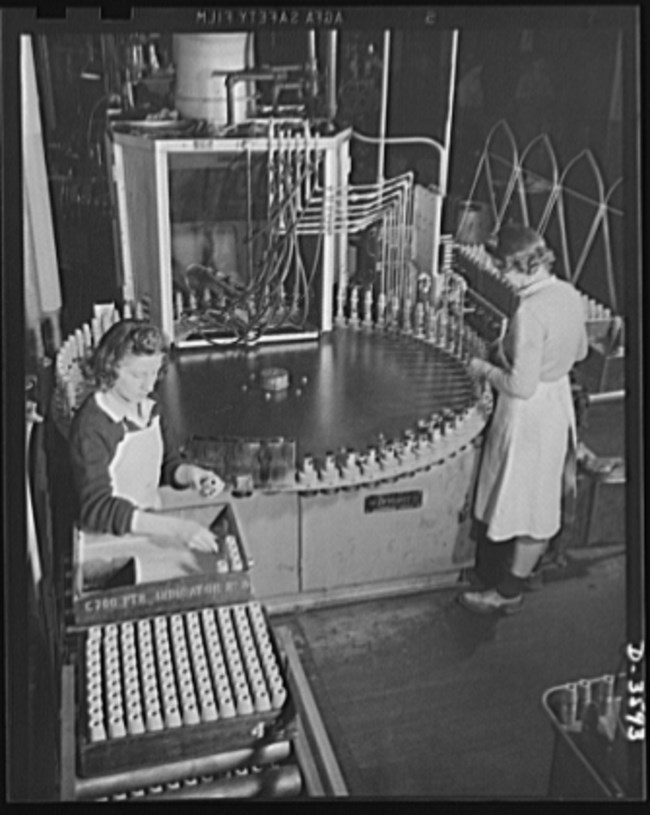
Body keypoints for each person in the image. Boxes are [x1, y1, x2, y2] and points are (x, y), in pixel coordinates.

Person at [459, 224, 589, 614]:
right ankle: (515, 579)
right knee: (540, 500)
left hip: (529, 414)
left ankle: (505, 593)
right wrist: (528, 356)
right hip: (557, 401)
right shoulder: (568, 293)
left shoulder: (531, 311)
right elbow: (580, 351)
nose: (502, 276)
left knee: (515, 501)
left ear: (519, 266)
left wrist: (483, 367)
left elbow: (520, 385)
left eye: (503, 268)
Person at [69, 319, 225, 552]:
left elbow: (168, 465)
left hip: (149, 528)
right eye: (138, 375)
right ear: (110, 366)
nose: (148, 385)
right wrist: (177, 529)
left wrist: (193, 474)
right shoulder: (92, 426)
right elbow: (96, 508)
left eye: (154, 372)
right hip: (106, 544)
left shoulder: (150, 408)